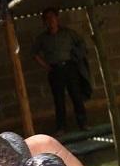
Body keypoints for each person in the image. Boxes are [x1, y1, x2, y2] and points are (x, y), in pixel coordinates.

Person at [32, 7, 92, 135]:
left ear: (57, 18)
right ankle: (61, 128)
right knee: (59, 99)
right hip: (55, 70)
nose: (51, 21)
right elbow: (35, 53)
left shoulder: (68, 33)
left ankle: (83, 124)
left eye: (52, 17)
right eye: (47, 19)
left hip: (70, 68)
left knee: (76, 96)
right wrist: (46, 66)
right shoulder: (42, 38)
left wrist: (77, 57)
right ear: (44, 22)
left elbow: (81, 43)